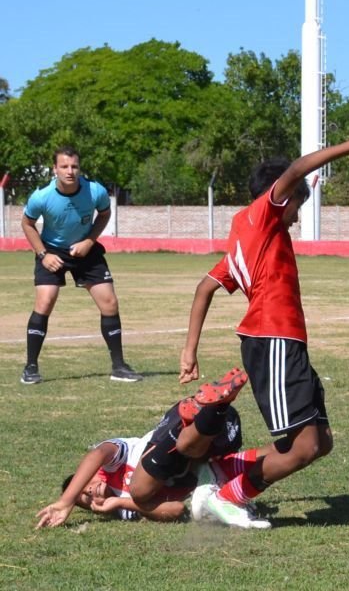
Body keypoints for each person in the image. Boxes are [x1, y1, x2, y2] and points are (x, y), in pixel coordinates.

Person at [179, 128, 349, 528]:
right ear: (281, 195)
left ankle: (225, 469)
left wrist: (189, 351)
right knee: (303, 448)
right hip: (272, 339)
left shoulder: (248, 236)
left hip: (282, 341)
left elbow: (204, 288)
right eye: (298, 203)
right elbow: (299, 167)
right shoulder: (263, 215)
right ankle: (226, 498)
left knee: (321, 442)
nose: (298, 215)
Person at [35, 368, 264, 528]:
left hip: (175, 426)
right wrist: (120, 503)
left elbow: (98, 453)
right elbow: (175, 511)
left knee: (148, 478)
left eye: (84, 486)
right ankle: (217, 407)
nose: (88, 493)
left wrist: (66, 501)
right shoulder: (122, 507)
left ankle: (191, 419)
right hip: (214, 440)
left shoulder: (113, 465)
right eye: (85, 501)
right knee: (254, 461)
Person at [20, 147, 141, 384]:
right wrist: (43, 254)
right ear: (54, 169)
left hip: (85, 249)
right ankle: (30, 367)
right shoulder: (41, 197)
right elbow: (27, 224)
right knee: (45, 301)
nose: (70, 171)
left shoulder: (95, 191)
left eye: (74, 166)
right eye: (64, 166)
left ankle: (119, 366)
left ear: (79, 168)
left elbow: (104, 215)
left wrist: (89, 241)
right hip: (51, 250)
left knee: (110, 302)